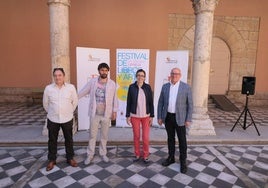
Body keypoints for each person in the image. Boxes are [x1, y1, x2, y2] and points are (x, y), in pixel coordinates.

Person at [78, 63, 118, 165]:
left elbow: (115, 98)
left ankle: (103, 153)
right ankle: (90, 154)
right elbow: (83, 91)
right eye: (102, 70)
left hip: (106, 114)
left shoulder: (112, 83)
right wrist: (73, 98)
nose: (104, 72)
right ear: (99, 71)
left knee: (104, 135)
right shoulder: (93, 82)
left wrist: (114, 111)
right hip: (94, 113)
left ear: (108, 71)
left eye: (106, 70)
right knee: (92, 135)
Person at [157, 67, 193, 174]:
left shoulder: (186, 87)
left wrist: (188, 119)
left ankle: (183, 162)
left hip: (181, 118)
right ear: (170, 74)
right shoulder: (165, 87)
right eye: (173, 73)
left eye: (177, 74)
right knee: (170, 139)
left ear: (180, 75)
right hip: (168, 117)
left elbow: (190, 105)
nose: (174, 75)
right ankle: (171, 158)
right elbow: (160, 103)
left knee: (182, 141)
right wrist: (159, 117)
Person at [43, 68, 78, 171]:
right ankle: (52, 159)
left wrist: (69, 112)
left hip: (67, 118)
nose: (57, 77)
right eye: (55, 75)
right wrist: (51, 112)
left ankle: (70, 158)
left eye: (60, 75)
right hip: (53, 119)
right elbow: (45, 103)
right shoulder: (48, 88)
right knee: (52, 140)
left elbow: (74, 101)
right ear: (53, 76)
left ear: (64, 76)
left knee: (69, 139)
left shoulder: (71, 88)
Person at [126, 69, 154, 164]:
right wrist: (127, 115)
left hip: (146, 116)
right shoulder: (131, 87)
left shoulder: (147, 87)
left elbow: (151, 102)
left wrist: (152, 116)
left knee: (145, 137)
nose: (140, 77)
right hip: (135, 116)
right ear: (136, 76)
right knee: (137, 136)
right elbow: (129, 102)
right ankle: (137, 154)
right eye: (138, 75)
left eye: (142, 75)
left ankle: (145, 155)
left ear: (144, 77)